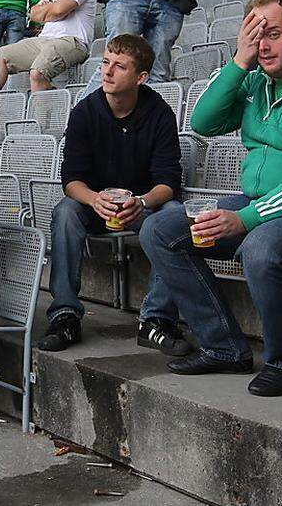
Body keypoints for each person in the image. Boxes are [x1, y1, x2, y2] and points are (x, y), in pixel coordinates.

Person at [142, 0, 282, 397]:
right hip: (256, 205)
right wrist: (240, 60)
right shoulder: (255, 79)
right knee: (160, 229)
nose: (263, 46)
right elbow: (203, 121)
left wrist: (247, 219)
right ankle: (223, 348)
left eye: (273, 34)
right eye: (255, 36)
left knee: (260, 249)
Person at [38, 34, 185, 354]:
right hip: (94, 205)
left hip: (140, 207)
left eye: (119, 66)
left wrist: (142, 201)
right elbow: (71, 180)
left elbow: (169, 182)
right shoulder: (84, 112)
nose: (107, 71)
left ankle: (156, 320)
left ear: (141, 77)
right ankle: (64, 315)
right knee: (65, 211)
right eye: (105, 62)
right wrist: (94, 199)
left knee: (174, 215)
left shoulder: (159, 113)